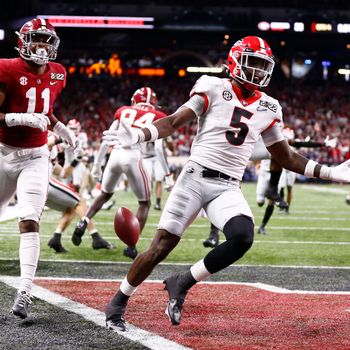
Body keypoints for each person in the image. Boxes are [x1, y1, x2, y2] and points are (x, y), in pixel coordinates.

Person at [102, 36, 350, 331]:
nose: (258, 71)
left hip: (228, 185)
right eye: (252, 63)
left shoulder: (270, 107)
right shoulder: (212, 86)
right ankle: (118, 301)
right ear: (234, 61)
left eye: (262, 65)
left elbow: (287, 158)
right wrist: (141, 135)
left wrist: (332, 172)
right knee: (161, 246)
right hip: (195, 177)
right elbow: (174, 121)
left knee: (243, 236)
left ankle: (182, 281)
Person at [0, 18, 82, 319]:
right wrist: (17, 118)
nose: (42, 46)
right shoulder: (6, 68)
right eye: (36, 39)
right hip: (2, 152)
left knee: (29, 219)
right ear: (22, 40)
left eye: (47, 41)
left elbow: (45, 111)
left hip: (35, 156)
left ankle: (25, 290)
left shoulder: (58, 73)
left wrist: (61, 127)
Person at [72, 87, 169, 259]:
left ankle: (83, 222)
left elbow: (106, 140)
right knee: (144, 203)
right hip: (135, 156)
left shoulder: (123, 111)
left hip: (115, 154)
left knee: (104, 194)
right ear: (154, 103)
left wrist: (97, 165)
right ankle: (131, 245)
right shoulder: (158, 116)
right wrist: (167, 174)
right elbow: (160, 148)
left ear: (133, 100)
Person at [46, 132, 113, 252]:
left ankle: (56, 238)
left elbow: (63, 173)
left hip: (39, 185)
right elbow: (45, 143)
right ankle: (96, 237)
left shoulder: (51, 155)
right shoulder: (46, 139)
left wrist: (78, 159)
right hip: (42, 182)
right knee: (79, 201)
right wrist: (63, 138)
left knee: (71, 207)